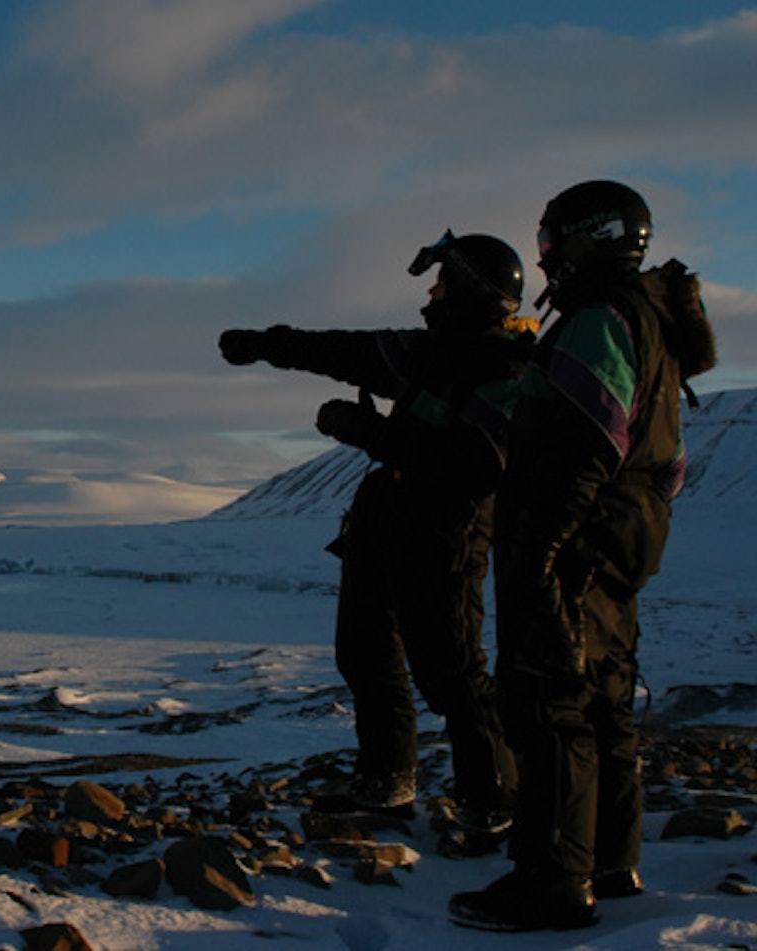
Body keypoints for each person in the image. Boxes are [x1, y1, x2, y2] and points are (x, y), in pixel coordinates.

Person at [450, 180, 714, 931]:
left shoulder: (601, 319)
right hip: (624, 538)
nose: (545, 258)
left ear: (589, 237)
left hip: (573, 540)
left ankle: (551, 880)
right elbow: (663, 458)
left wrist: (541, 543)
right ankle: (608, 860)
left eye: (551, 241)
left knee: (548, 700)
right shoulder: (652, 319)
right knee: (603, 703)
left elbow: (580, 445)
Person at [218, 231, 532, 842]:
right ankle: (387, 781)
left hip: (446, 532)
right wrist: (267, 345)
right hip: (385, 518)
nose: (431, 292)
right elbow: (347, 351)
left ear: (468, 288)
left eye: (441, 281)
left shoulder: (505, 369)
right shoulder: (430, 349)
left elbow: (475, 466)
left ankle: (492, 800)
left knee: (450, 670)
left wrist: (371, 433)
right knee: (364, 653)